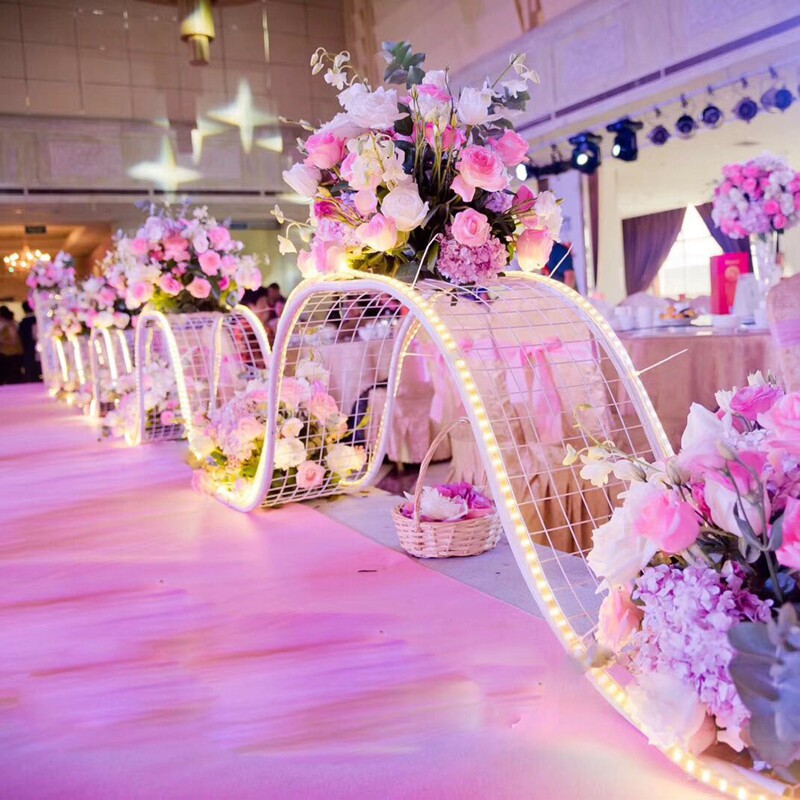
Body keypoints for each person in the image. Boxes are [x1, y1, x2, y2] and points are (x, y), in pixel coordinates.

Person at [0, 306, 24, 384]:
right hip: (7, 354)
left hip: (12, 354)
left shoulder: (10, 326)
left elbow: (14, 341)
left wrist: (2, 341)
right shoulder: (6, 325)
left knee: (13, 376)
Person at [19, 301, 40, 382]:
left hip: (28, 348)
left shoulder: (23, 323)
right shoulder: (37, 320)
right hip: (37, 346)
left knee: (30, 367)